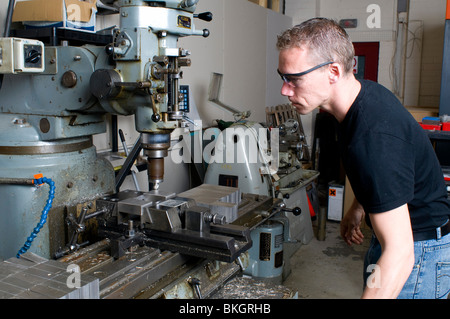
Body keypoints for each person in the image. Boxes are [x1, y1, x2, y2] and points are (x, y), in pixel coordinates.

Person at [276, 17, 450, 299]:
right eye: (282, 77)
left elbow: (400, 254)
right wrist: (358, 209)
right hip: (399, 240)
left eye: (294, 79)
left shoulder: (374, 134)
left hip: (418, 253)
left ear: (332, 71)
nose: (285, 89)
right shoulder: (354, 102)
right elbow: (378, 177)